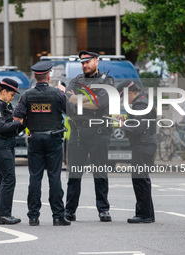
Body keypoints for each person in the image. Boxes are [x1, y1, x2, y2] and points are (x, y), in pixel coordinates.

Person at [14, 62, 71, 226]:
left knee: (35, 177)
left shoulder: (27, 95)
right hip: (53, 139)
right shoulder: (56, 94)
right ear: (48, 76)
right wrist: (64, 93)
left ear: (34, 76)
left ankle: (33, 216)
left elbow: (17, 118)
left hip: (35, 139)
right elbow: (72, 110)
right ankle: (58, 216)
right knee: (54, 177)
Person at [63, 50, 114, 222]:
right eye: (82, 63)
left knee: (100, 172)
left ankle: (103, 209)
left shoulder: (107, 81)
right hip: (78, 132)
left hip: (98, 132)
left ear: (96, 61)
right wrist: (86, 100)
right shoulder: (76, 80)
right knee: (74, 174)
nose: (85, 65)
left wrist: (76, 100)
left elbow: (100, 104)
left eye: (87, 62)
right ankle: (69, 210)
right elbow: (67, 102)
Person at [117, 79, 156, 223]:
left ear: (131, 93)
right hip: (145, 144)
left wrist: (123, 125)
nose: (123, 100)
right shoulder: (142, 103)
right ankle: (147, 213)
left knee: (140, 180)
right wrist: (126, 120)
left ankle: (144, 214)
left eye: (124, 96)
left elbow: (139, 129)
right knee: (143, 179)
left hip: (143, 144)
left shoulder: (140, 105)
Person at [0, 78, 24, 225]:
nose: (13, 97)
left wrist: (23, 123)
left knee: (5, 179)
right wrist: (19, 123)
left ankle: (3, 214)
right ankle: (4, 215)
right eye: (12, 94)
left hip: (6, 143)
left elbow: (12, 128)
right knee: (9, 179)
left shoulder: (4, 106)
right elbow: (2, 127)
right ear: (4, 91)